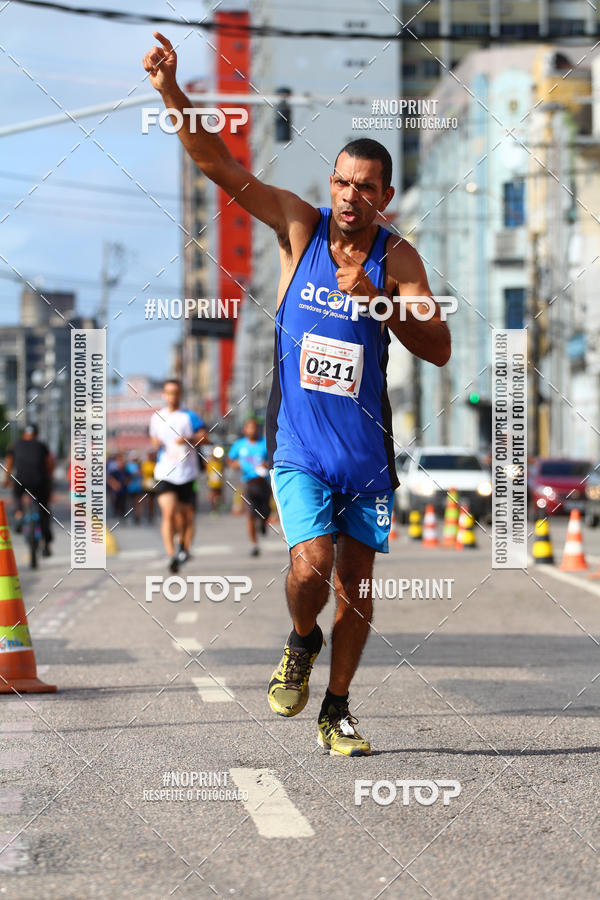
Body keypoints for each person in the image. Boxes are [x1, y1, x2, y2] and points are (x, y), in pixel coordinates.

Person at [143, 35, 451, 756]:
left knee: (359, 587)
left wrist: (379, 301)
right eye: (343, 182)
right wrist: (170, 93)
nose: (350, 196)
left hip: (366, 451)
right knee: (310, 566)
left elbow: (437, 348)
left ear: (386, 196)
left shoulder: (398, 259)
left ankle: (337, 709)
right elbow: (216, 164)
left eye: (366, 187)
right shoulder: (298, 226)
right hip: (302, 444)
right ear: (333, 183)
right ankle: (299, 640)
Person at [149, 378, 207, 572]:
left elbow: (205, 437)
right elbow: (154, 438)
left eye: (175, 392)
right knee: (168, 513)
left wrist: (189, 438)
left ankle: (184, 547)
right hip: (165, 472)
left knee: (186, 517)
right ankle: (171, 555)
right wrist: (155, 442)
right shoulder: (157, 417)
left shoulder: (189, 416)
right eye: (169, 392)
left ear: (180, 394)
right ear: (164, 395)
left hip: (187, 473)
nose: (172, 396)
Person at [3, 424, 54, 556]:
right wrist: (49, 477)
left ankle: (18, 513)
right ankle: (46, 544)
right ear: (36, 434)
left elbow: (9, 463)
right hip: (40, 481)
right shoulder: (41, 445)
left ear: (23, 434)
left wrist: (7, 479)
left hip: (21, 481)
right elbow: (49, 464)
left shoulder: (15, 445)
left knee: (16, 494)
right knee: (44, 510)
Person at [227, 417, 271, 556]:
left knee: (265, 512)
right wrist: (235, 464)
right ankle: (254, 545)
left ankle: (264, 523)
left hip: (263, 483)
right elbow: (230, 459)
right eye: (249, 427)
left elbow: (273, 459)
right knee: (250, 515)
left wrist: (267, 464)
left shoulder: (264, 444)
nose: (252, 430)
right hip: (248, 484)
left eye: (254, 427)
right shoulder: (239, 445)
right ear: (245, 430)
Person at [125, 451, 143, 524]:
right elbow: (130, 474)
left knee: (137, 502)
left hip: (138, 487)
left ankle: (137, 517)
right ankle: (130, 515)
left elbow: (141, 474)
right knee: (130, 502)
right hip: (130, 487)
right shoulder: (128, 465)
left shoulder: (139, 465)